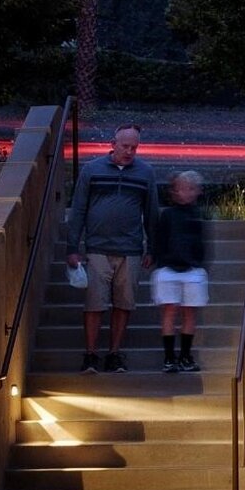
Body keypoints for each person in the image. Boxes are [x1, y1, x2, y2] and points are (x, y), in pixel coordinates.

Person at [63, 124, 158, 373]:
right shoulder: (92, 170)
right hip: (97, 247)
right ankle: (91, 353)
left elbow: (151, 212)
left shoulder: (145, 173)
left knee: (124, 303)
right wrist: (72, 247)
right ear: (113, 144)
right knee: (94, 303)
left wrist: (152, 247)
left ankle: (114, 353)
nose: (129, 151)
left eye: (134, 147)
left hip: (131, 248)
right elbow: (79, 209)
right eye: (125, 146)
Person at [149, 170, 210, 373]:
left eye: (192, 189)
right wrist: (158, 258)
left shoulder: (196, 215)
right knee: (169, 311)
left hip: (192, 268)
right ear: (175, 191)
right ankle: (169, 357)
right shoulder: (167, 215)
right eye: (184, 188)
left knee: (189, 312)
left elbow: (200, 242)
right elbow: (160, 239)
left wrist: (198, 261)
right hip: (169, 268)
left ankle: (185, 355)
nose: (187, 192)